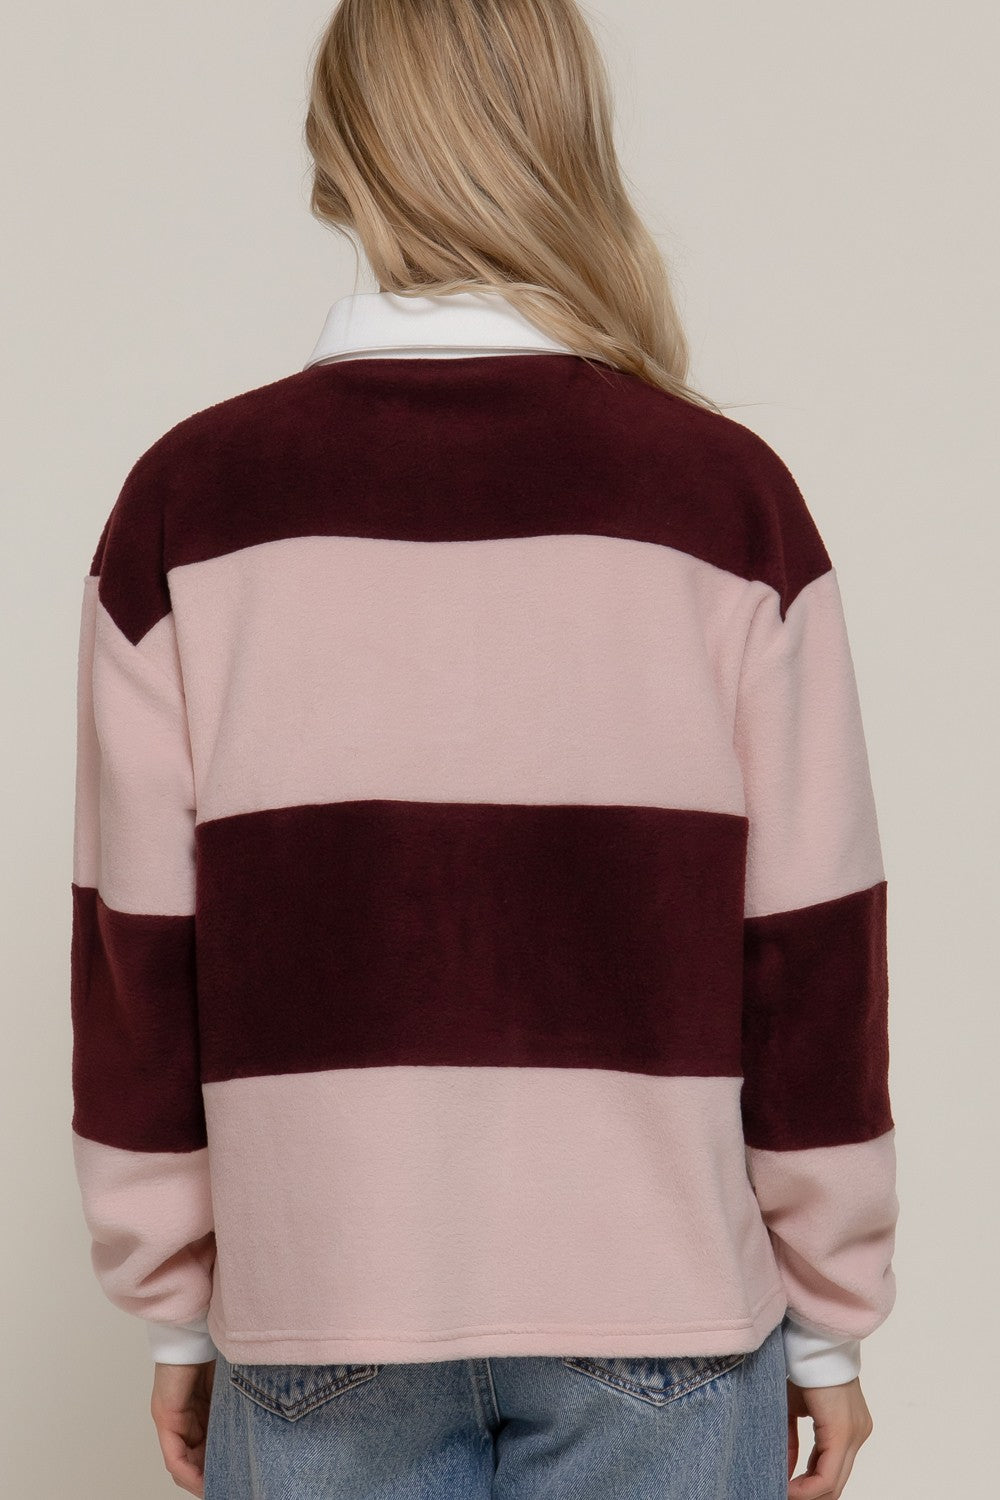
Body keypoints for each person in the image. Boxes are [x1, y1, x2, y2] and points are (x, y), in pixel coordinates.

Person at [68, 2, 897, 1497]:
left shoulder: (191, 503)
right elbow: (810, 946)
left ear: (337, 158)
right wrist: (831, 1323)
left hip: (321, 1301)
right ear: (568, 140)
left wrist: (176, 1303)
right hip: (663, 1307)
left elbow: (139, 949)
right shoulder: (725, 501)